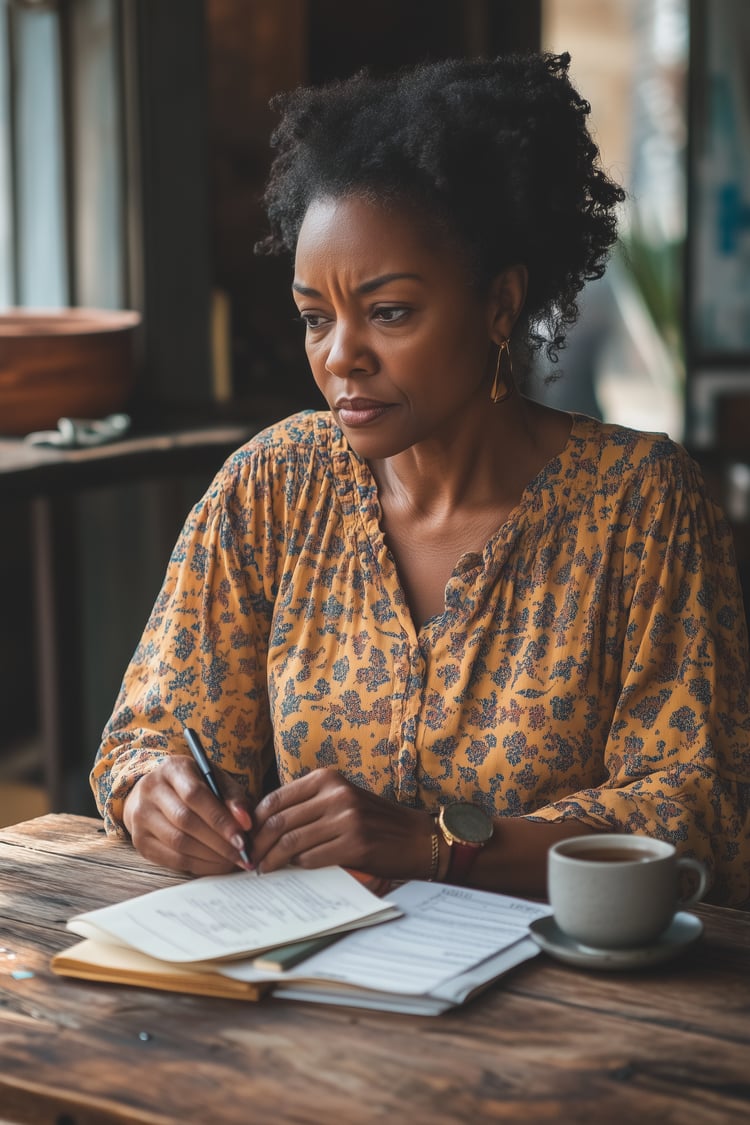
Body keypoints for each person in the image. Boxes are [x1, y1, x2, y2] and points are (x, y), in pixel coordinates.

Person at [91, 52, 750, 905]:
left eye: (390, 312)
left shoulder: (639, 503)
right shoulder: (273, 488)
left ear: (501, 305)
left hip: (566, 1008)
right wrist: (156, 795)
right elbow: (143, 734)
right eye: (315, 318)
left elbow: (696, 811)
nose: (340, 356)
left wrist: (434, 841)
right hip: (305, 986)